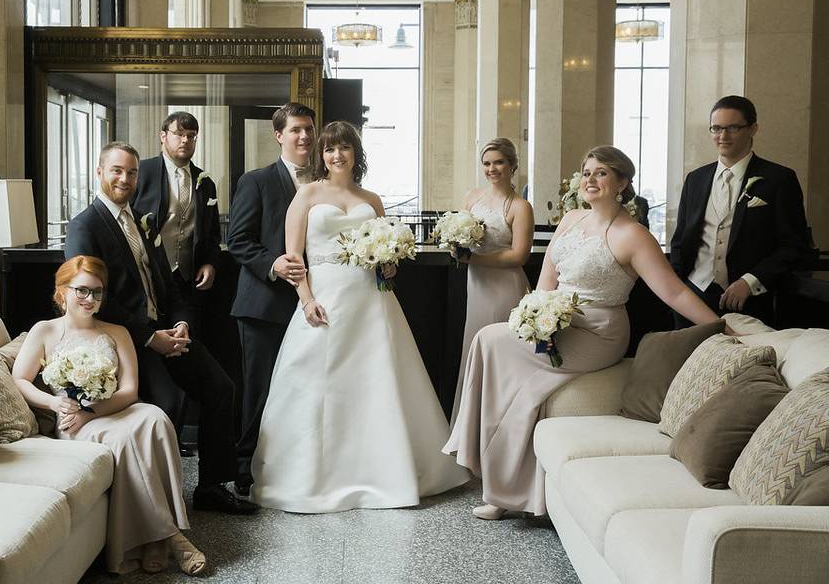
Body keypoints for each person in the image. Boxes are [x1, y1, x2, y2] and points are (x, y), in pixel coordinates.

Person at [444, 146, 723, 520]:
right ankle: (503, 485)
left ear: (622, 183)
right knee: (492, 341)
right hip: (554, 320)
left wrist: (719, 325)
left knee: (493, 342)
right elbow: (546, 282)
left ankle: (505, 489)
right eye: (586, 172)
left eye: (601, 173)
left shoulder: (632, 235)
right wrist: (530, 316)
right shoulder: (571, 219)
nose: (590, 180)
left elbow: (673, 291)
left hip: (599, 331)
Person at [251, 121, 469, 513]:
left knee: (378, 383)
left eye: (344, 148)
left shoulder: (372, 198)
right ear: (322, 155)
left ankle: (386, 470)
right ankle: (315, 476)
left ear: (356, 153)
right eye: (330, 149)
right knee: (321, 387)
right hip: (325, 300)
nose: (337, 156)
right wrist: (305, 299)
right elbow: (293, 258)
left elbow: (385, 251)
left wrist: (388, 266)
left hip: (371, 300)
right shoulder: (306, 195)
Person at [65, 142, 256, 515]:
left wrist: (181, 323)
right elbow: (90, 297)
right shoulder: (85, 225)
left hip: (165, 331)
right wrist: (151, 338)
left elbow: (166, 284)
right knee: (169, 404)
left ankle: (210, 487)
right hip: (126, 341)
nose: (125, 178)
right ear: (100, 173)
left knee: (221, 387)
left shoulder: (141, 220)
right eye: (117, 170)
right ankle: (156, 503)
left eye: (132, 172)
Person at [12, 255, 206, 575]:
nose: (91, 299)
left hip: (115, 408)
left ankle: (156, 537)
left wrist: (93, 411)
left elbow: (129, 390)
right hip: (73, 420)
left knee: (155, 418)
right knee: (123, 438)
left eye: (98, 292)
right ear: (62, 292)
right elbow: (20, 378)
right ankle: (172, 538)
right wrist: (53, 404)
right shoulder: (44, 331)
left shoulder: (117, 332)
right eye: (83, 291)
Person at [226, 102, 316, 496]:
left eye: (309, 129)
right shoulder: (257, 180)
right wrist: (273, 264)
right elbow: (238, 241)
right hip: (264, 304)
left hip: (313, 302)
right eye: (296, 129)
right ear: (279, 135)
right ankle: (246, 468)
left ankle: (296, 463)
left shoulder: (324, 181)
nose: (304, 136)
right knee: (259, 388)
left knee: (305, 388)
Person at [670, 95, 808, 327]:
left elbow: (794, 245)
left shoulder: (779, 179)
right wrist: (677, 287)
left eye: (733, 128)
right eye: (716, 128)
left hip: (750, 301)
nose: (722, 136)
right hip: (693, 295)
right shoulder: (695, 179)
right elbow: (681, 240)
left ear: (753, 129)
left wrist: (750, 281)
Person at [451, 138, 533, 422]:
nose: (492, 169)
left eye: (498, 162)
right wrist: (454, 243)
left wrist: (473, 260)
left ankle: (501, 420)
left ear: (512, 165)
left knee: (502, 350)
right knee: (474, 346)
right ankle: (471, 423)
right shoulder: (472, 197)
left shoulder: (520, 206)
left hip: (505, 286)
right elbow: (458, 235)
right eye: (486, 163)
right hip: (477, 285)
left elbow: (518, 256)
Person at [132, 111, 221, 339]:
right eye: (179, 134)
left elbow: (212, 233)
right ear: (163, 136)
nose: (185, 140)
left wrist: (210, 263)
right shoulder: (142, 172)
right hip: (148, 275)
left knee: (188, 343)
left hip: (188, 279)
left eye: (191, 136)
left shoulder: (206, 182)